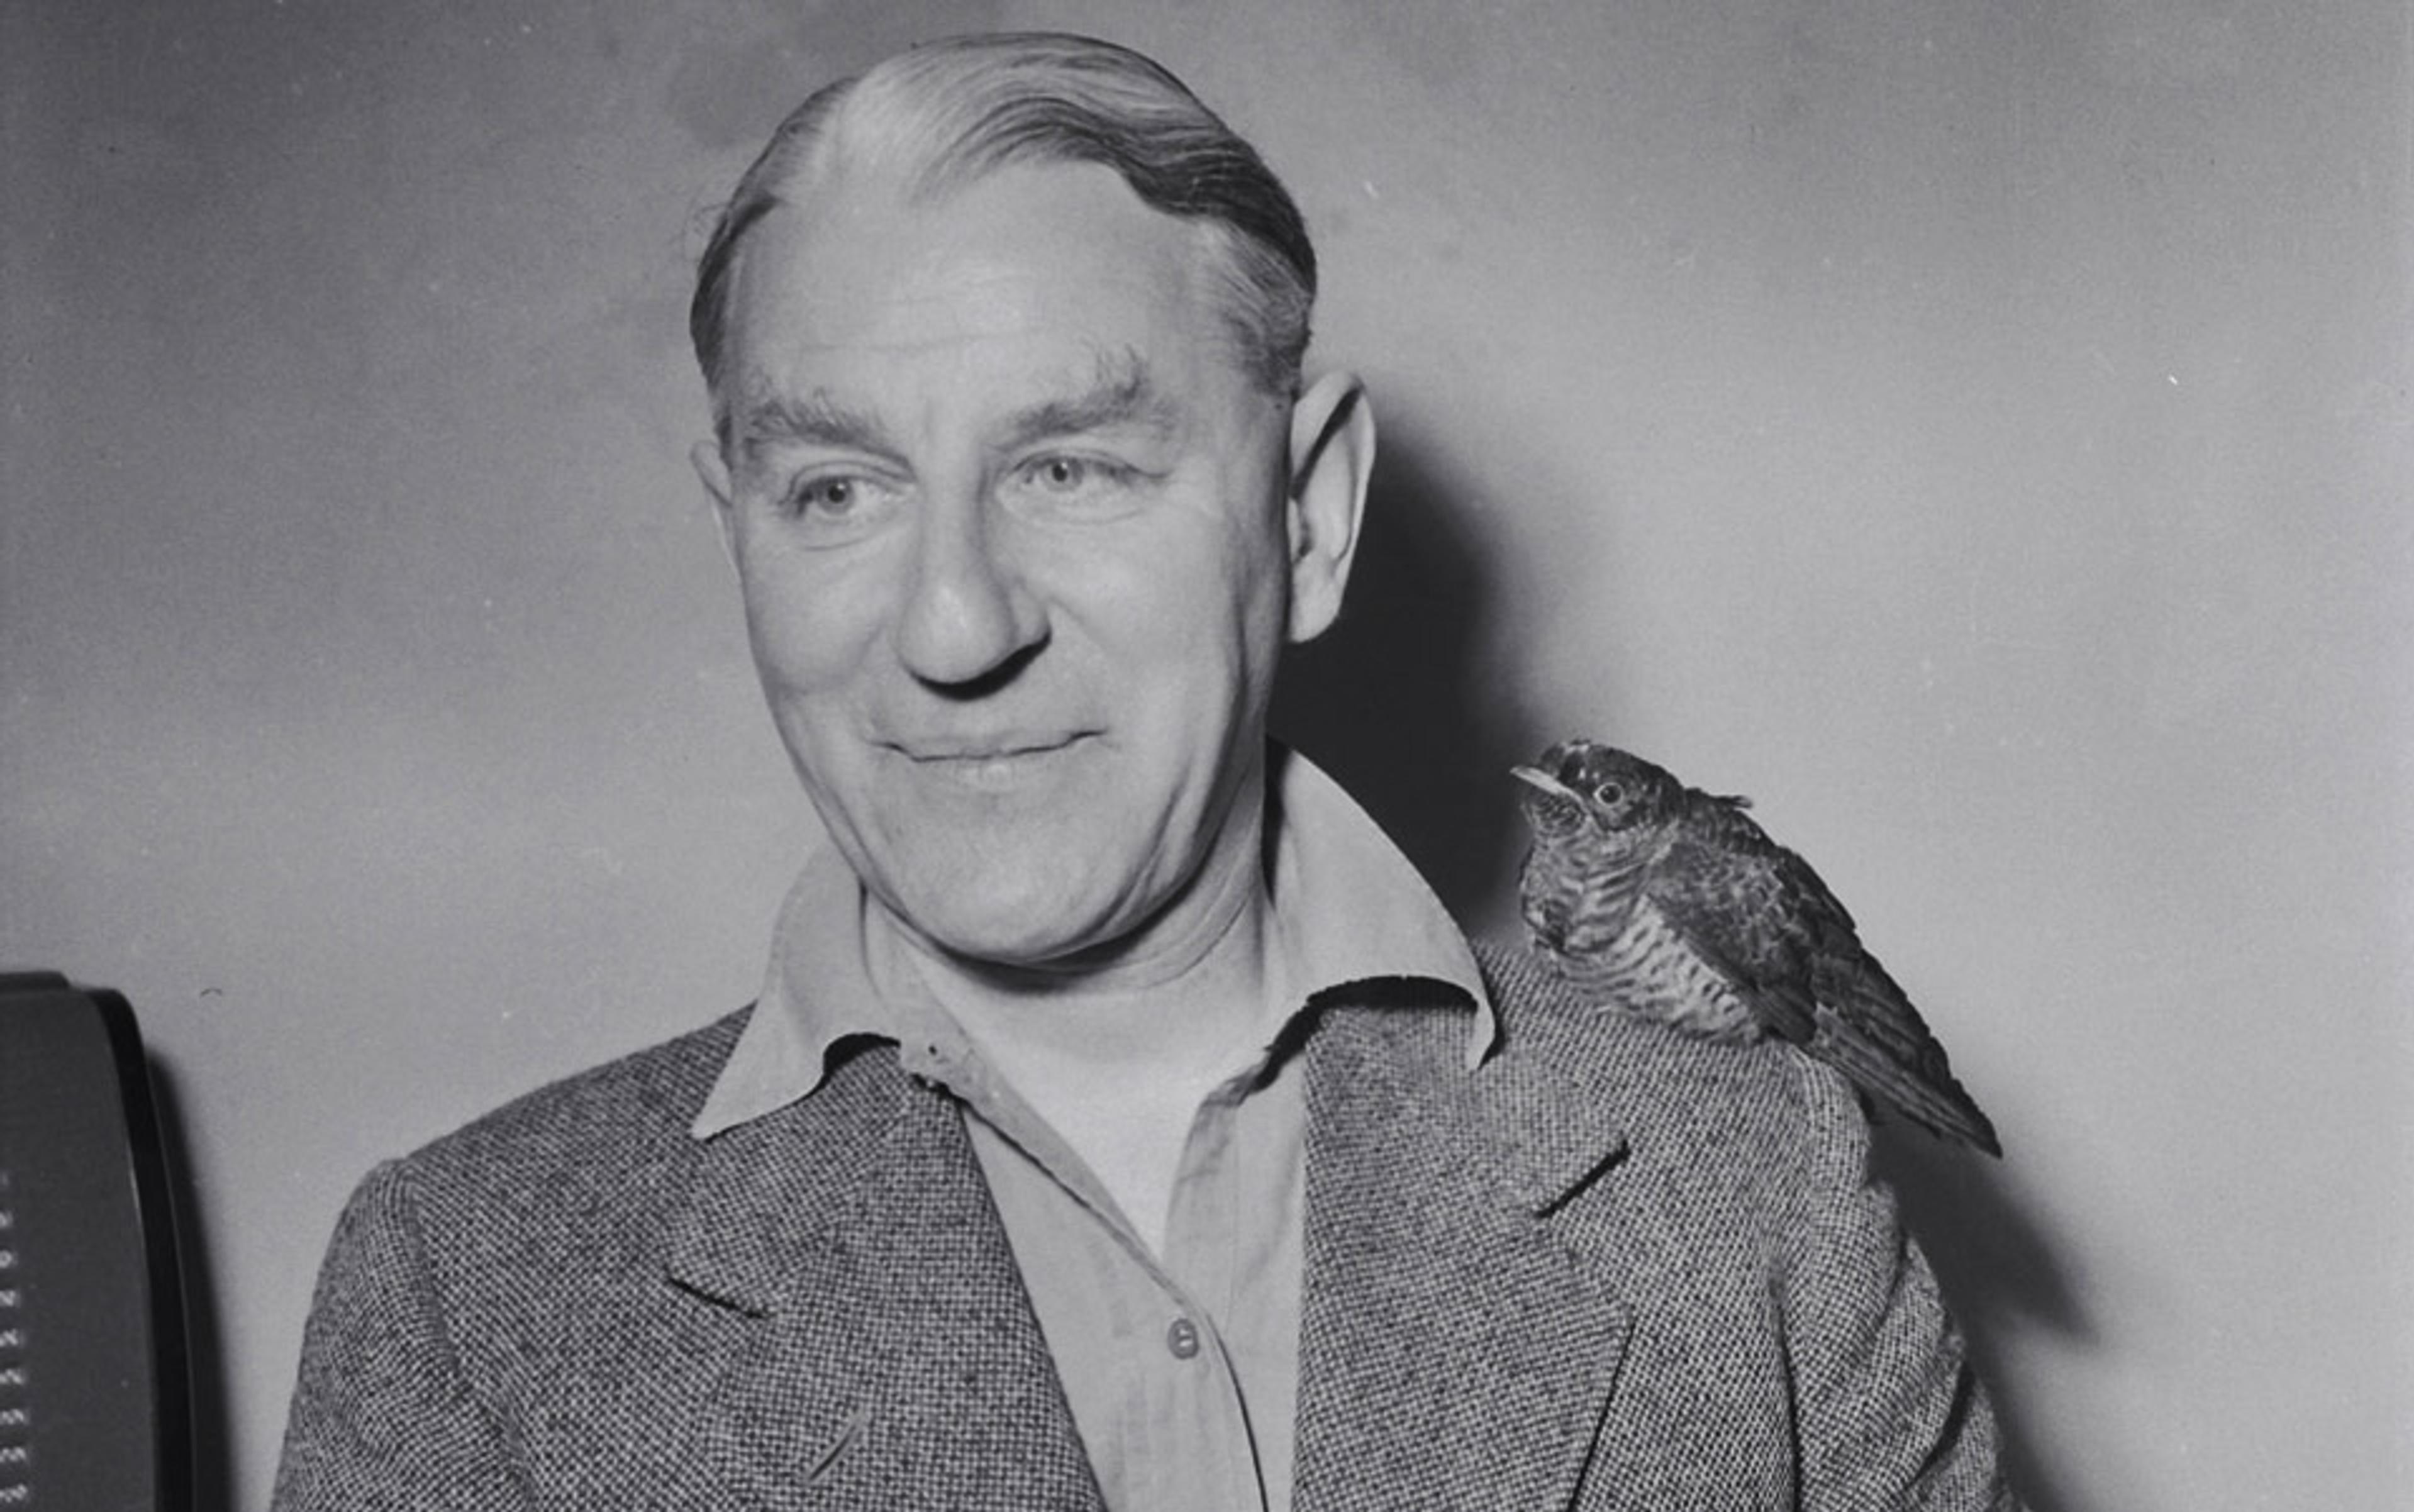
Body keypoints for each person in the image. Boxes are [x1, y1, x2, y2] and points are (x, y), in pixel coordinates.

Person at [272, 31, 2017, 1511]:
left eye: (1076, 468)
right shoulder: (464, 1292)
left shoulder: (1760, 1182)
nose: (954, 624)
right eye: (837, 490)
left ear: (1309, 515)